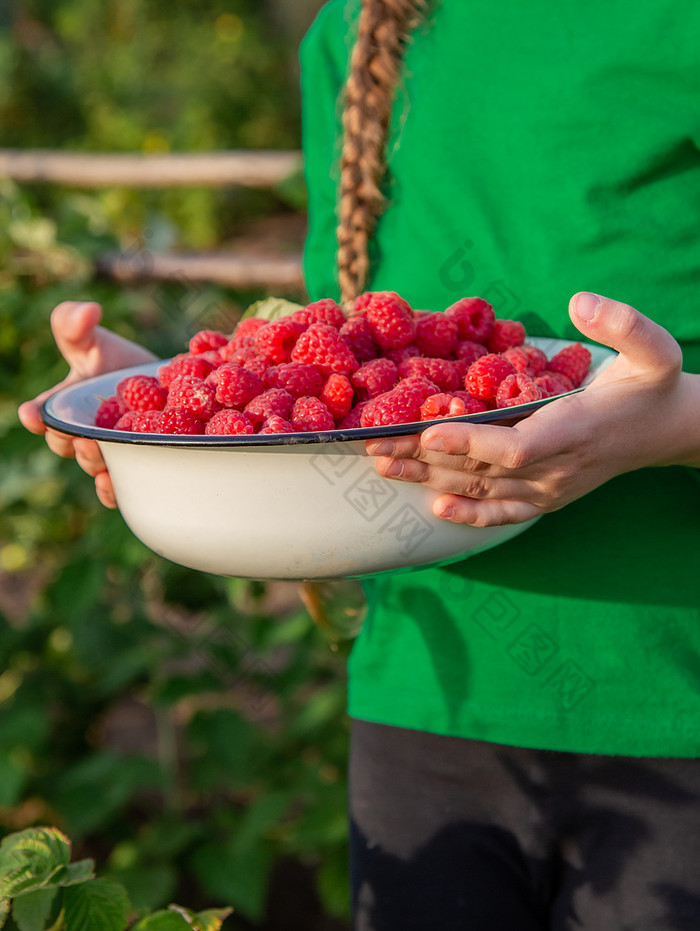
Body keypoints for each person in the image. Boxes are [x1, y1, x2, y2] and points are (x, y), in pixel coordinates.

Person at [19, 0, 700, 927]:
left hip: (673, 701)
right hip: (422, 703)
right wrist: (193, 407)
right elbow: (344, 370)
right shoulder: (352, 31)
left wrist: (676, 423)